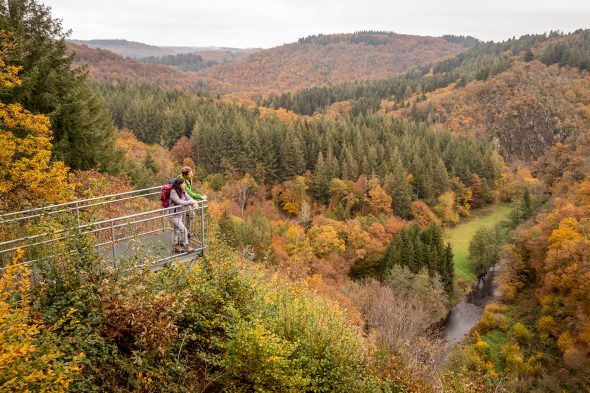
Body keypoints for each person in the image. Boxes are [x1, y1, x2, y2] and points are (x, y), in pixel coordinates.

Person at [168, 177, 197, 253]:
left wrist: (193, 201)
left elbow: (188, 198)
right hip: (173, 215)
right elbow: (179, 202)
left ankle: (175, 245)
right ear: (179, 184)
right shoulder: (173, 192)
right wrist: (191, 202)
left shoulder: (182, 190)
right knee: (183, 230)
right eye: (183, 183)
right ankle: (186, 246)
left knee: (176, 230)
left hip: (179, 213)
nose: (185, 184)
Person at [178, 166, 206, 237]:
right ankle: (184, 232)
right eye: (190, 174)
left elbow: (188, 193)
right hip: (181, 202)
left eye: (191, 173)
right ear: (185, 175)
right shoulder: (182, 181)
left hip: (186, 200)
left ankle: (185, 232)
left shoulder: (188, 179)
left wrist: (193, 201)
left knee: (189, 215)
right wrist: (200, 197)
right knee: (191, 215)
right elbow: (189, 193)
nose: (192, 175)